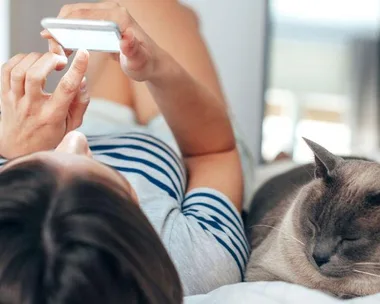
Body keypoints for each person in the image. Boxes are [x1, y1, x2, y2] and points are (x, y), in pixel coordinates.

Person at [0, 0, 251, 301]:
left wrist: (15, 149)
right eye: (101, 181)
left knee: (116, 39)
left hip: (101, 121)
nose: (74, 140)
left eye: (35, 168)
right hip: (185, 142)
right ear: (135, 210)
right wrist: (156, 66)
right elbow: (213, 153)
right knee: (146, 7)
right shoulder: (195, 261)